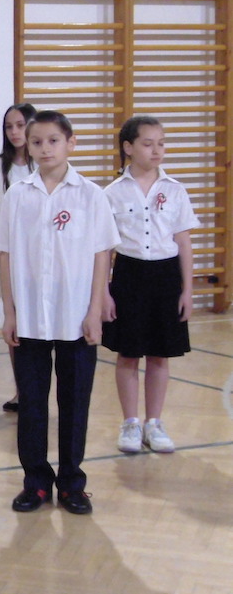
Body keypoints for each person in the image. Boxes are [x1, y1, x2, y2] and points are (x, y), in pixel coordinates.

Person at [0, 111, 118, 515]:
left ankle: (72, 483)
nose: (45, 149)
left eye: (53, 141)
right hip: (30, 317)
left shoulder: (91, 195)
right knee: (32, 403)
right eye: (37, 142)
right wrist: (10, 313)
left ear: (70, 143)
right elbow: (4, 255)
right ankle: (36, 482)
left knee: (75, 402)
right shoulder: (17, 195)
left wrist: (95, 310)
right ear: (27, 147)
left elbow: (102, 255)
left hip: (75, 316)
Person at [102, 116, 197, 453]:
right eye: (147, 143)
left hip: (165, 276)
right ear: (128, 147)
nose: (156, 150)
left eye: (161, 143)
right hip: (128, 276)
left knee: (160, 354)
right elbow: (104, 249)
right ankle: (130, 423)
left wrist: (187, 290)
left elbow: (183, 242)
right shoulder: (112, 193)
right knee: (128, 354)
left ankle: (154, 422)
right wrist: (104, 292)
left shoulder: (175, 190)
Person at [0, 103, 37, 413]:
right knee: (16, 328)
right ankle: (22, 390)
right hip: (11, 264)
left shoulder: (46, 166)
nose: (15, 132)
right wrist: (6, 260)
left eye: (20, 125)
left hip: (45, 263)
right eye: (9, 127)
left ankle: (42, 389)